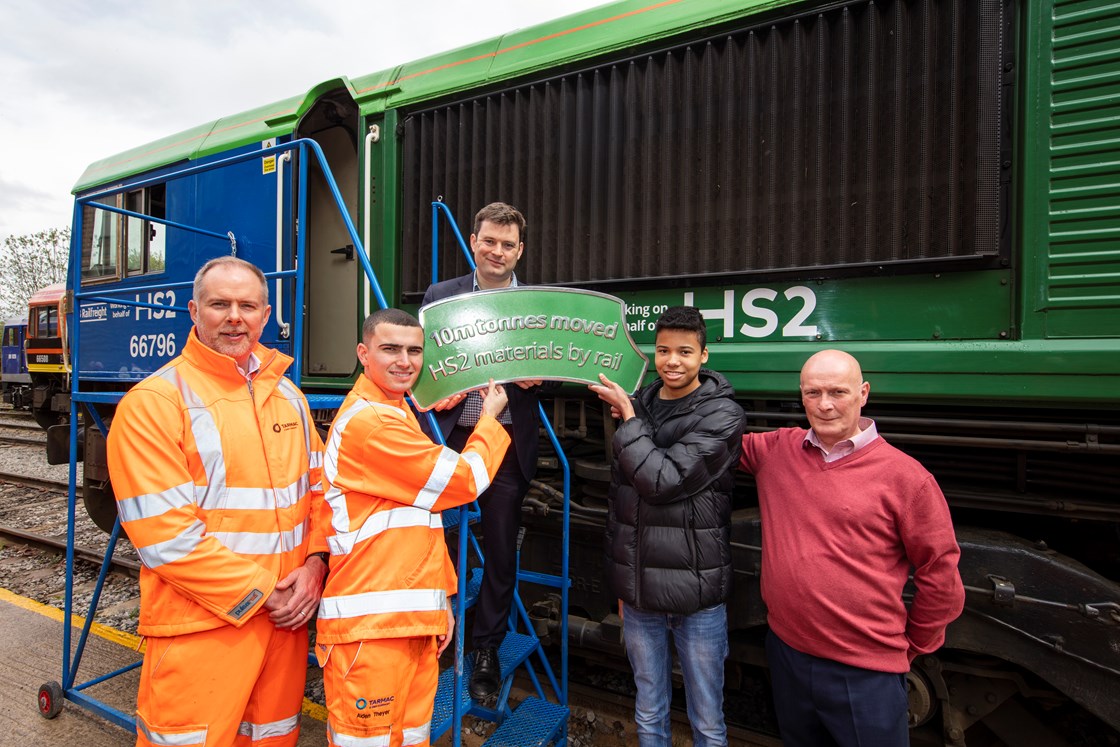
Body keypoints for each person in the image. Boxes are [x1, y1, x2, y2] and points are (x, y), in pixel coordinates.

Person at [106, 256, 327, 747]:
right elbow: (166, 537)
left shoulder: (289, 397)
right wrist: (268, 594)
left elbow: (321, 496)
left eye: (247, 305)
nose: (235, 317)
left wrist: (315, 567)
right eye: (219, 304)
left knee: (272, 737)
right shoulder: (155, 403)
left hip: (282, 627)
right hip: (203, 626)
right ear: (193, 310)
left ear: (266, 316)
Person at [740, 349, 965, 747]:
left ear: (863, 393)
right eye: (812, 393)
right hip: (788, 655)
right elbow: (704, 439)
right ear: (801, 395)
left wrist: (913, 647)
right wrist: (636, 413)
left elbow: (940, 571)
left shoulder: (906, 477)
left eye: (837, 392)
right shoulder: (776, 450)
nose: (824, 405)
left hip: (865, 672)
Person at [313, 308, 511, 747]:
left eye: (414, 350)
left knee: (412, 738)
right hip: (371, 632)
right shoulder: (371, 423)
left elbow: (420, 526)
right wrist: (490, 419)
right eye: (390, 349)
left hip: (406, 626)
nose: (405, 360)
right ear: (363, 354)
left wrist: (439, 604)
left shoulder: (398, 412)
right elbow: (462, 481)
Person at [588, 306, 745, 747]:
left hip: (697, 601)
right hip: (641, 598)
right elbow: (619, 505)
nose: (672, 361)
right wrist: (624, 586)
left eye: (684, 351)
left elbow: (662, 481)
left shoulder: (723, 415)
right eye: (663, 350)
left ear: (704, 356)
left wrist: (630, 422)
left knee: (708, 719)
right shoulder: (642, 406)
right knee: (649, 708)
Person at [421, 201, 550, 699]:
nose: (497, 251)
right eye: (489, 241)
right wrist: (436, 394)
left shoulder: (536, 303)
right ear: (474, 241)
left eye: (508, 244)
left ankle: (486, 650)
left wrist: (541, 380)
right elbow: (425, 367)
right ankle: (435, 630)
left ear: (521, 251)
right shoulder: (441, 295)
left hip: (506, 443)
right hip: (451, 438)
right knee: (437, 541)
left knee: (499, 550)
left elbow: (561, 366)